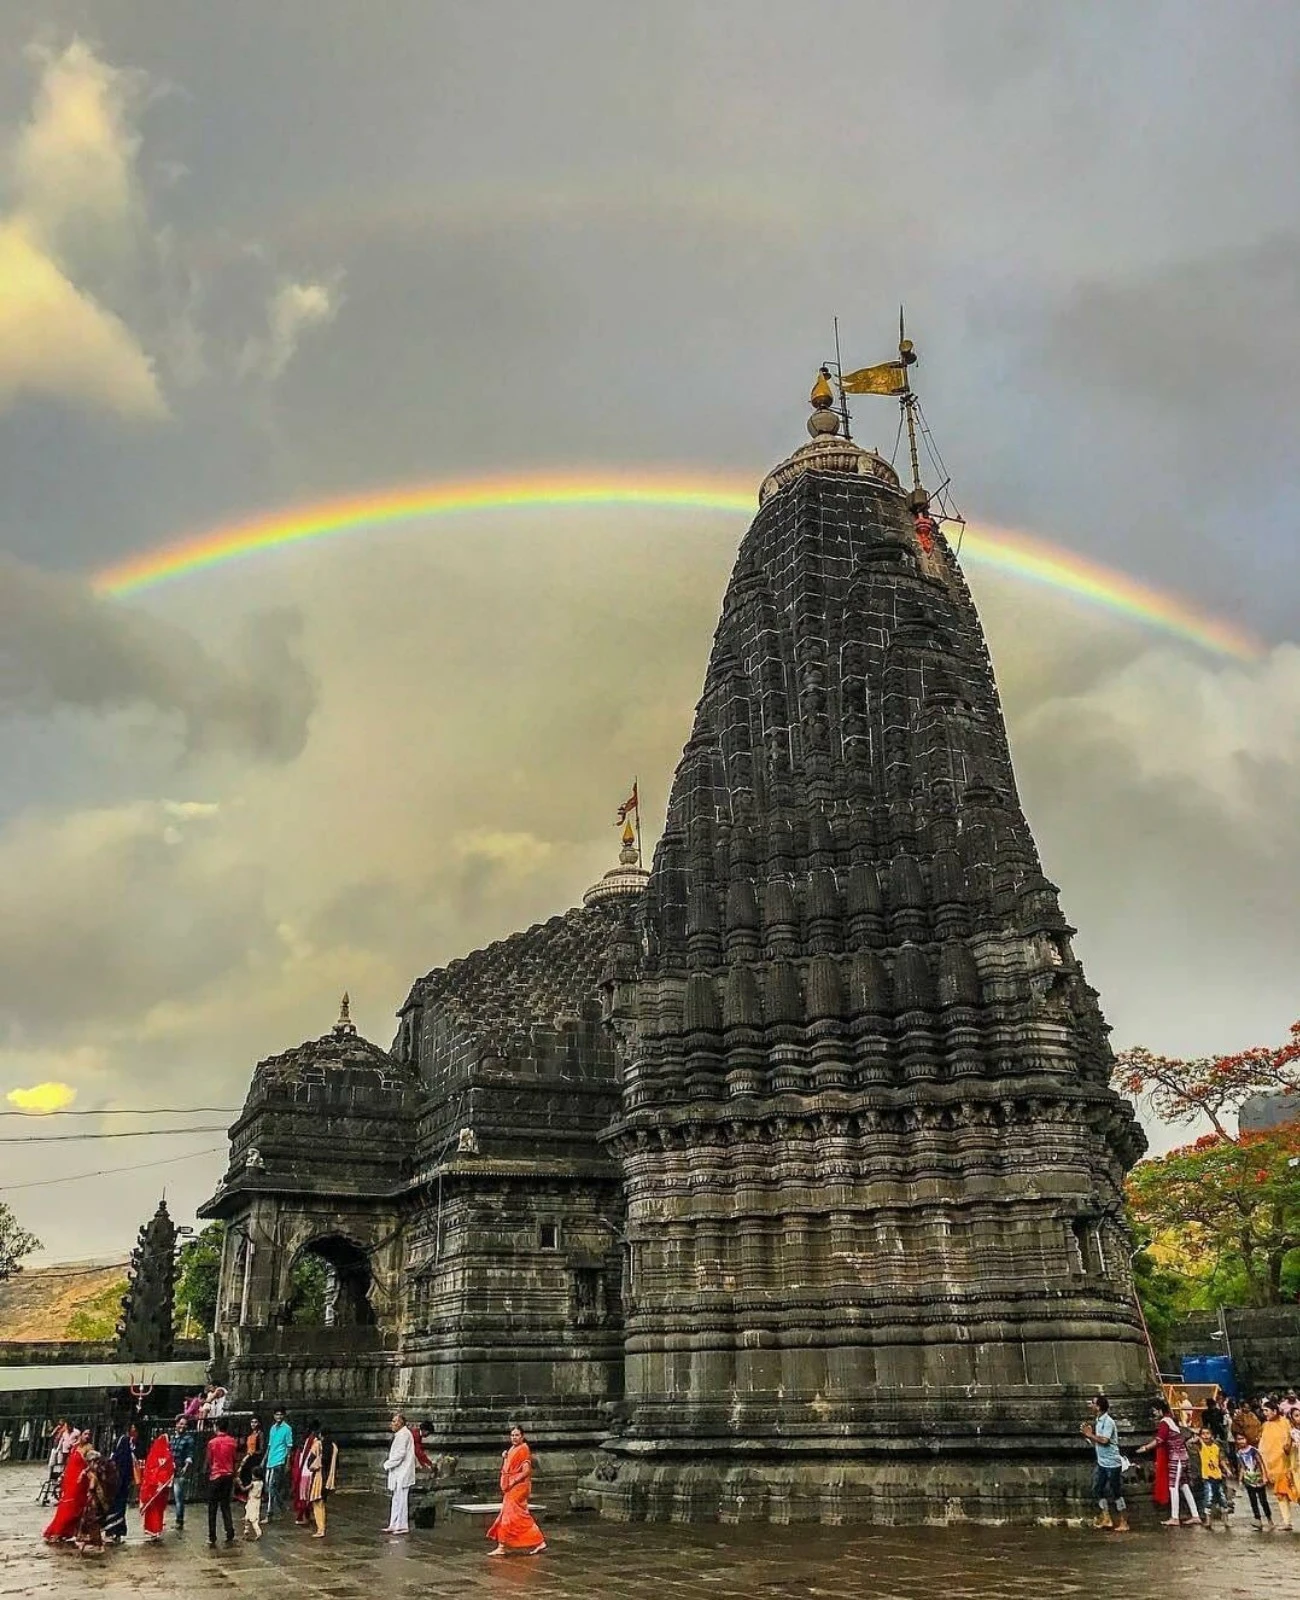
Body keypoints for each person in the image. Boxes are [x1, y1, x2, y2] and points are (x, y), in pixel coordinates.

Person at [1138, 1401, 1202, 1527]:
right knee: (1184, 1486)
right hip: (1182, 1456)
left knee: (1173, 1486)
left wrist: (1145, 1448)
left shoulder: (1164, 1422)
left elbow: (1159, 1439)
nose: (1155, 1413)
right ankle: (1195, 1515)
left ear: (1161, 1410)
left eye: (1156, 1410)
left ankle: (1175, 1517)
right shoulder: (1171, 1421)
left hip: (1176, 1457)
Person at [487, 1423, 546, 1557]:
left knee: (512, 1515)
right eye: (512, 1435)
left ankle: (503, 1545)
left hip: (518, 1487)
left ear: (522, 1436)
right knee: (512, 1515)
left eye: (517, 1435)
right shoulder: (513, 1448)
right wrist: (506, 1457)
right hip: (512, 1487)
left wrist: (513, 1480)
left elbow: (526, 1471)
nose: (514, 1437)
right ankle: (505, 1545)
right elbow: (511, 1465)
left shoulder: (523, 1449)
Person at [1080, 1394, 1129, 1532]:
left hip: (1112, 1463)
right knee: (1097, 1489)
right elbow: (1099, 1440)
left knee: (1116, 1491)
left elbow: (1105, 1440)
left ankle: (1123, 1521)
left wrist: (1091, 1435)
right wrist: (1089, 1438)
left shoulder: (1108, 1421)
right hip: (1102, 1462)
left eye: (1093, 1403)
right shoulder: (1098, 1420)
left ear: (1099, 1406)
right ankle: (1106, 1517)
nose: (1090, 1405)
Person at [43, 1431, 91, 1542]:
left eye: (89, 1434)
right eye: (85, 1434)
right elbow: (69, 1463)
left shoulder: (89, 1449)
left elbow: (93, 1464)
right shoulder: (74, 1448)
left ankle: (72, 1532)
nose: (87, 1436)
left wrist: (84, 1472)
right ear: (80, 1435)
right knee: (64, 1506)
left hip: (80, 1483)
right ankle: (58, 1531)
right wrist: (63, 1476)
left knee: (75, 1508)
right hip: (70, 1481)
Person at [1258, 1400, 1295, 1531]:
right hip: (1273, 1466)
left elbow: (1290, 1443)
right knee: (1281, 1494)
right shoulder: (1265, 1425)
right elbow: (1262, 1446)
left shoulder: (1286, 1423)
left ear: (1274, 1411)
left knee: (1296, 1492)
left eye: (1266, 1411)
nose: (1264, 1413)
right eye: (1263, 1411)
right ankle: (1287, 1522)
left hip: (1288, 1465)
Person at [76, 1448, 118, 1555]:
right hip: (102, 1495)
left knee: (93, 1519)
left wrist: (90, 1490)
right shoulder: (102, 1466)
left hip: (98, 1496)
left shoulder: (99, 1468)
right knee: (90, 1518)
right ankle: (91, 1540)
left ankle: (97, 1544)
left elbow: (94, 1482)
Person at [382, 1411, 417, 1536]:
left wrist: (388, 1464)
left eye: (394, 1421)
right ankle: (394, 1523)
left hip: (403, 1472)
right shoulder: (401, 1434)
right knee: (396, 1499)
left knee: (401, 1499)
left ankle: (402, 1525)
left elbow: (400, 1454)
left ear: (400, 1423)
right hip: (398, 1472)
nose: (392, 1424)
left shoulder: (404, 1435)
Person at [206, 1420, 238, 1546]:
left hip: (216, 1475)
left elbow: (210, 1459)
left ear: (217, 1427)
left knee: (212, 1507)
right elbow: (234, 1458)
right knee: (225, 1505)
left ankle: (212, 1535)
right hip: (228, 1475)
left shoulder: (212, 1443)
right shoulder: (232, 1441)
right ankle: (229, 1531)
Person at [138, 1431, 175, 1541]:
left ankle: (154, 1530)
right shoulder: (164, 1455)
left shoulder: (155, 1454)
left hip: (157, 1488)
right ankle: (155, 1530)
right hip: (158, 1488)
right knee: (156, 1510)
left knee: (155, 1510)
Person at [103, 1427, 137, 1542]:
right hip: (120, 1484)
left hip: (118, 1485)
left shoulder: (120, 1451)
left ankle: (113, 1531)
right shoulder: (125, 1444)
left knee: (116, 1507)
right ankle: (115, 1531)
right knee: (117, 1508)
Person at [1236, 1432, 1274, 1530]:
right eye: (1238, 1439)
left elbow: (1261, 1463)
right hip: (1249, 1479)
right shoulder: (1239, 1453)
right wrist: (1240, 1480)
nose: (1241, 1441)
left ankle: (1270, 1520)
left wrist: (1265, 1476)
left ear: (1247, 1439)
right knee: (1253, 1501)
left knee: (1263, 1500)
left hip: (1259, 1478)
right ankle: (1258, 1521)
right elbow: (1242, 1467)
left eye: (1242, 1438)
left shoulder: (1253, 1450)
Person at [306, 1427, 338, 1538]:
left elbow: (310, 1463)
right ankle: (321, 1528)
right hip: (329, 1478)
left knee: (317, 1503)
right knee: (322, 1503)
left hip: (319, 1477)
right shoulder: (334, 1447)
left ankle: (320, 1529)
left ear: (320, 1435)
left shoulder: (318, 1445)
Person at [169, 1415, 198, 1532]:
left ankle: (179, 1521)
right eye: (181, 1423)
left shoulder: (189, 1439)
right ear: (176, 1424)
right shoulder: (173, 1438)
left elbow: (190, 1454)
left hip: (180, 1470)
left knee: (178, 1497)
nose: (182, 1426)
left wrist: (186, 1467)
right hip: (170, 1469)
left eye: (185, 1424)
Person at [264, 1408, 293, 1520]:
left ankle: (269, 1513)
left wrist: (288, 1462)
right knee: (270, 1486)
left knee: (271, 1485)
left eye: (281, 1415)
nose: (279, 1417)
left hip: (280, 1459)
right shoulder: (272, 1428)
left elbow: (289, 1446)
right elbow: (270, 1445)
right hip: (271, 1460)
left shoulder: (287, 1429)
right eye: (277, 1415)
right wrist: (265, 1459)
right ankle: (282, 1506)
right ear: (274, 1416)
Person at [1197, 1426, 1228, 1520]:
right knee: (1208, 1498)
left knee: (1222, 1498)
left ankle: (1226, 1519)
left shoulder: (1216, 1447)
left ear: (1212, 1436)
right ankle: (1208, 1520)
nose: (1205, 1436)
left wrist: (1227, 1469)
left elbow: (1221, 1460)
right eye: (1203, 1434)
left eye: (1208, 1433)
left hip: (1217, 1476)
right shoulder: (1201, 1446)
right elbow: (1192, 1443)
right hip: (1207, 1477)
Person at [238, 1436, 265, 1540]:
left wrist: (240, 1483)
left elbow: (244, 1489)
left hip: (252, 1501)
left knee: (250, 1518)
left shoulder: (253, 1483)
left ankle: (257, 1532)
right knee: (251, 1517)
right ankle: (247, 1531)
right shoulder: (261, 1483)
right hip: (257, 1501)